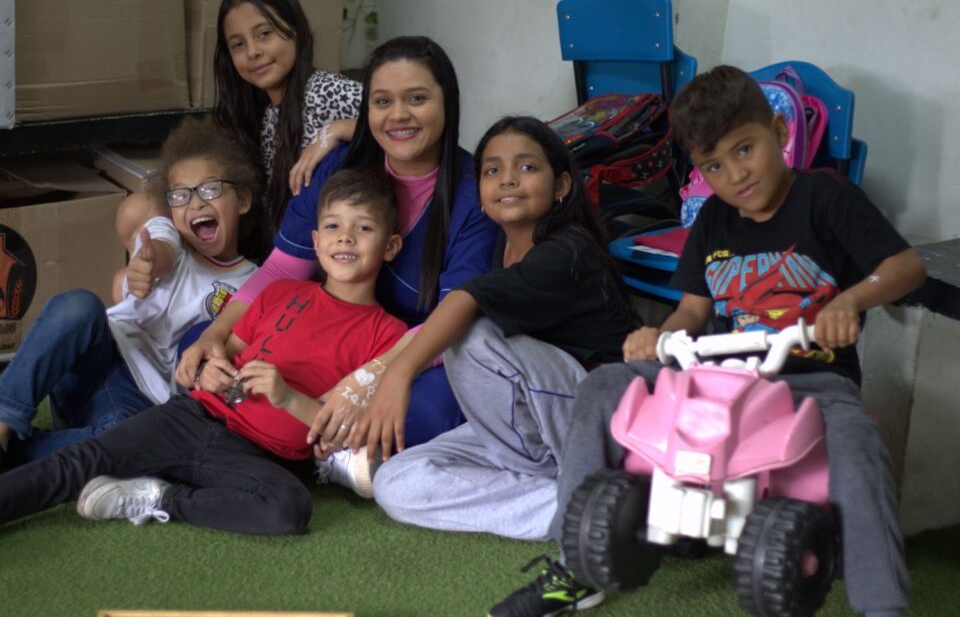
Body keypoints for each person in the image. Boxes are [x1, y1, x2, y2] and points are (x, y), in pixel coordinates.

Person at [489, 65, 926, 617]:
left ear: (779, 132)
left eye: (745, 150)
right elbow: (694, 309)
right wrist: (660, 337)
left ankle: (883, 606)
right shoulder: (714, 220)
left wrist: (850, 302)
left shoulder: (824, 196)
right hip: (720, 375)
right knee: (604, 384)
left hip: (812, 378)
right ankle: (575, 564)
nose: (735, 175)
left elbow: (906, 267)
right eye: (713, 165)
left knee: (858, 444)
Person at [0, 168, 408, 562]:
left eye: (363, 228)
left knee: (289, 509)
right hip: (194, 414)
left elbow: (344, 431)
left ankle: (158, 496)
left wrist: (287, 397)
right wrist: (209, 367)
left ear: (390, 246)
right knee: (83, 461)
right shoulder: (282, 292)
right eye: (333, 226)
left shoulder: (387, 335)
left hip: (257, 456)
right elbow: (222, 348)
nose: (345, 238)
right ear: (315, 238)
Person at [177, 36, 498, 459]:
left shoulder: (473, 195)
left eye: (417, 98)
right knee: (197, 340)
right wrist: (218, 335)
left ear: (447, 102)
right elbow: (279, 271)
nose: (398, 115)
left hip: (416, 353)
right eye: (382, 102)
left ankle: (314, 445)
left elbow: (454, 318)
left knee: (429, 409)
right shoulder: (339, 165)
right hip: (329, 336)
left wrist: (369, 379)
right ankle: (323, 440)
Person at [0, 117, 259, 501]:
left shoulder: (256, 282)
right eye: (181, 195)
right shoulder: (169, 234)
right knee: (78, 305)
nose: (196, 203)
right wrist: (146, 264)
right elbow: (159, 248)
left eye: (210, 189)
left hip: (135, 405)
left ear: (242, 199)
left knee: (135, 447)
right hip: (97, 356)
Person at [360, 116, 637, 544]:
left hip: (602, 421)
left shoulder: (568, 249)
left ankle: (591, 489)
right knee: (396, 482)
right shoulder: (500, 246)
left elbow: (466, 300)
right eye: (492, 170)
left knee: (470, 334)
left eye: (527, 167)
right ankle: (587, 507)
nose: (508, 179)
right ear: (482, 194)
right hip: (534, 428)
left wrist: (397, 374)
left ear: (562, 185)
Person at [111, 0, 362, 290]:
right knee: (139, 210)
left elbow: (401, 121)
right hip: (265, 257)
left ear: (295, 30)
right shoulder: (261, 113)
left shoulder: (324, 91)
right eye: (238, 44)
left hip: (322, 267)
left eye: (265, 34)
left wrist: (339, 130)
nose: (253, 51)